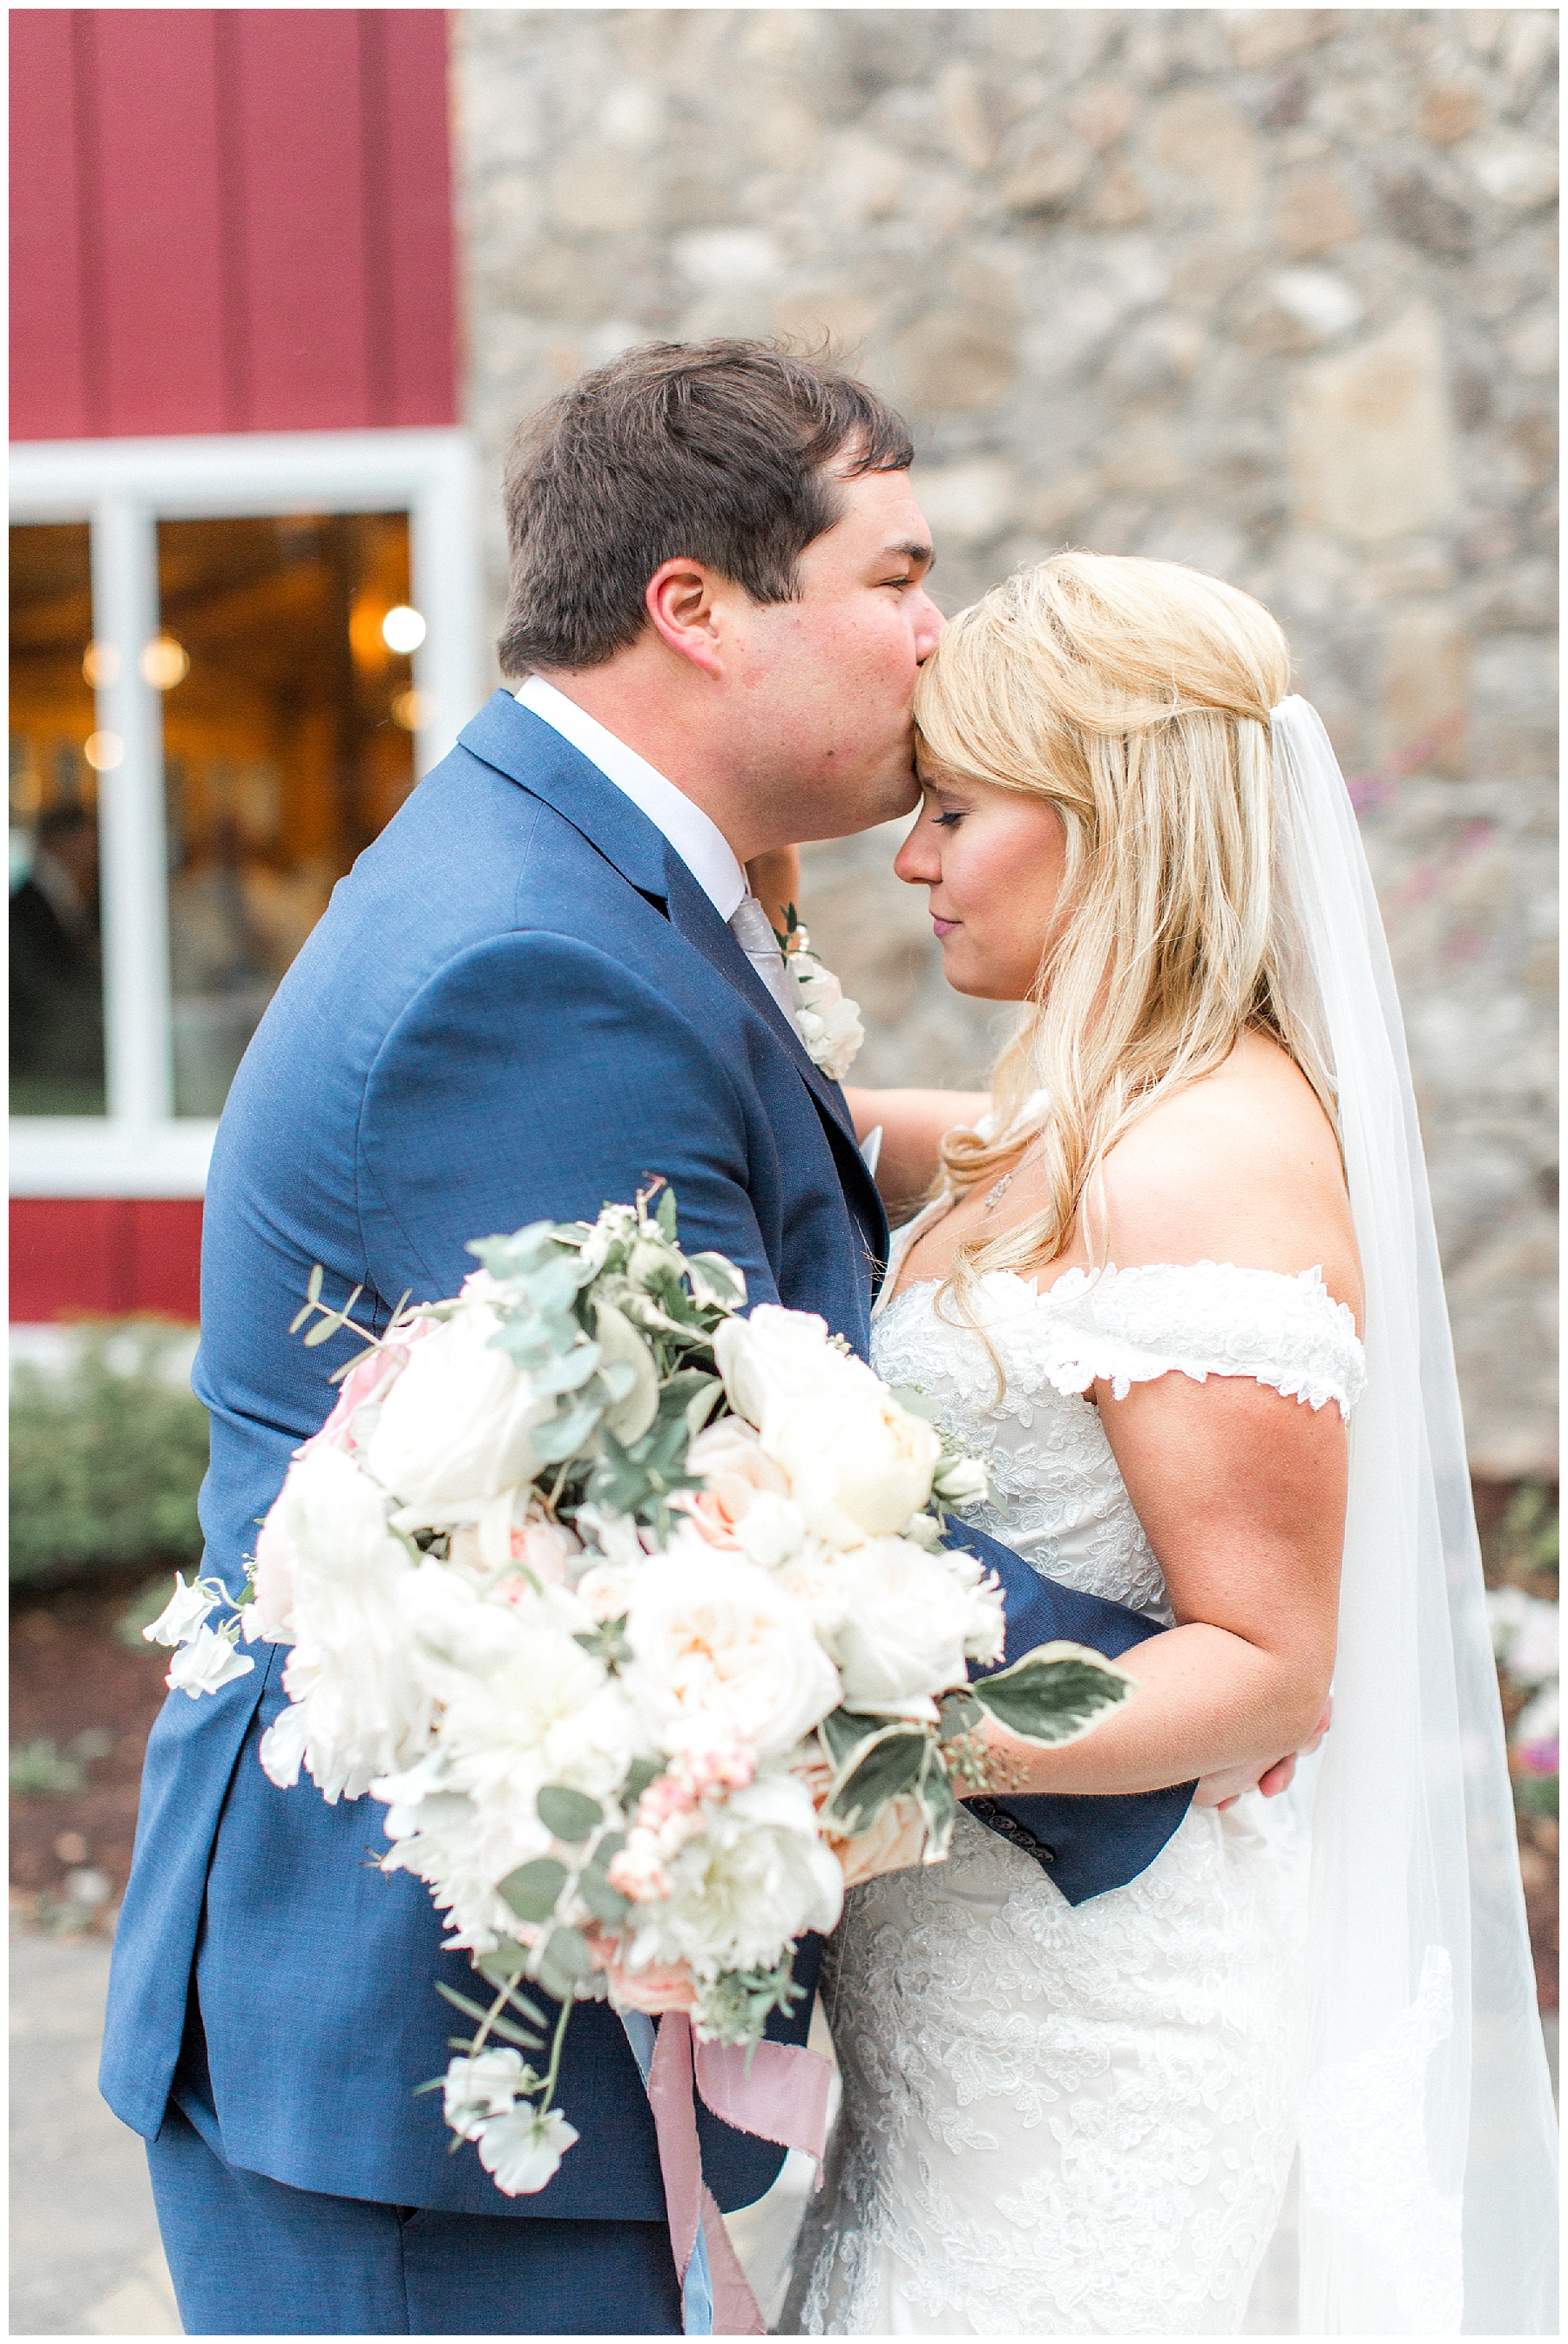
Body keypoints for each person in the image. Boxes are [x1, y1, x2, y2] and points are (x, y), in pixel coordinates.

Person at [99, 347, 1244, 2338]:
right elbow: (723, 1511)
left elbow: (763, 1171)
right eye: (897, 577)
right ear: (697, 608)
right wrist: (1207, 1696)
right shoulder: (532, 964)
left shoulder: (587, 874)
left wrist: (1133, 1149)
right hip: (425, 2067)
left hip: (481, 2033)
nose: (937, 631)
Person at [786, 554, 1557, 2335]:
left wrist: (864, 1753)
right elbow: (875, 1131)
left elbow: (1272, 1669)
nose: (911, 861)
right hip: (958, 2026)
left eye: (953, 811)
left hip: (1090, 2036)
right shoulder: (1086, 1114)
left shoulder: (1203, 1158)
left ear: (1109, 818)